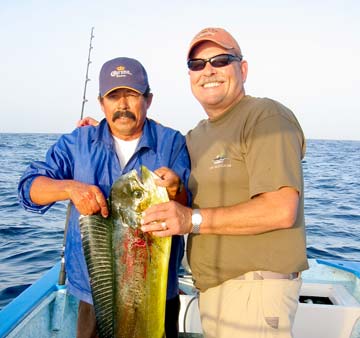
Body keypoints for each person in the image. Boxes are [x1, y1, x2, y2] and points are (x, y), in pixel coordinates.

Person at [140, 27, 309, 338]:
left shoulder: (265, 117)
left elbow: (281, 209)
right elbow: (158, 139)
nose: (208, 71)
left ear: (242, 69)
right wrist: (104, 128)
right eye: (197, 64)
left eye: (221, 60)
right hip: (212, 291)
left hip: (254, 290)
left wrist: (190, 219)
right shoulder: (197, 135)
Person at [18, 57, 190, 338]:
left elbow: (188, 206)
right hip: (95, 294)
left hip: (156, 294)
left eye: (132, 95)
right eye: (113, 96)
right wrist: (70, 188)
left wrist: (176, 190)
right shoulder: (77, 143)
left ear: (148, 99)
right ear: (101, 103)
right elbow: (28, 188)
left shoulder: (172, 142)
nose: (122, 105)